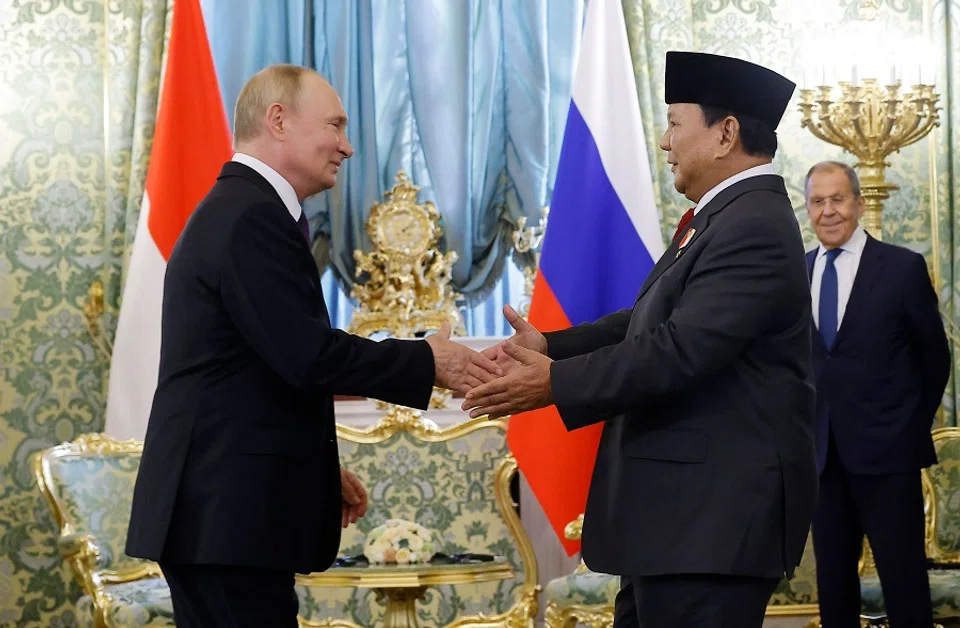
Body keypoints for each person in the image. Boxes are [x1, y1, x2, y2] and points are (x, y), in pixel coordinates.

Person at [124, 64, 500, 628]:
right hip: (225, 516)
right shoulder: (251, 216)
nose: (347, 146)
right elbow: (308, 357)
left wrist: (316, 470)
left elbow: (258, 370)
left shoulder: (245, 209)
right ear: (278, 120)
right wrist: (427, 359)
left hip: (225, 513)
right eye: (335, 125)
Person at [463, 51, 817, 627]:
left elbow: (679, 349)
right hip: (679, 526)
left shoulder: (752, 222)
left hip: (709, 525)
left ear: (726, 133)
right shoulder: (726, 215)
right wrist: (551, 347)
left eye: (675, 123)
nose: (664, 142)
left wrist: (553, 383)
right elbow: (647, 320)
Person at [804, 161, 949, 628]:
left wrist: (906, 429)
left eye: (838, 199)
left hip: (890, 458)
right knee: (834, 588)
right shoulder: (796, 272)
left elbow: (935, 360)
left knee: (904, 585)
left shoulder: (902, 268)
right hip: (822, 460)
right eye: (818, 201)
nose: (828, 211)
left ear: (859, 203)